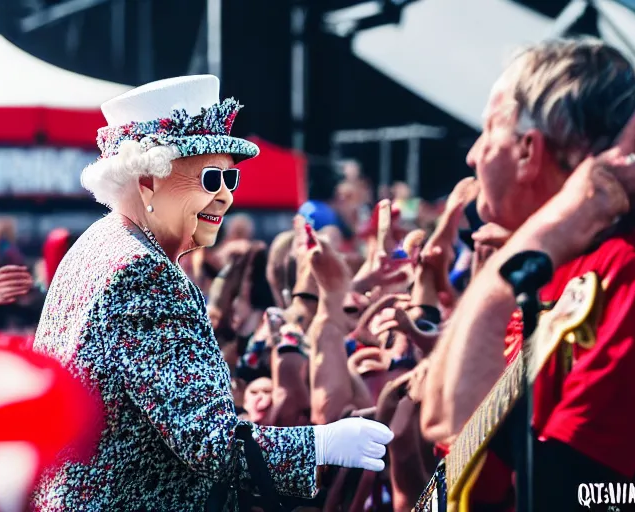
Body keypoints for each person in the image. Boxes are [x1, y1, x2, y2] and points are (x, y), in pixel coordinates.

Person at [31, 75, 393, 511]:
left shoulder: (100, 241)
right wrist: (319, 444)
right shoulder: (143, 271)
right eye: (209, 178)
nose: (224, 196)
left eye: (229, 179)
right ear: (147, 181)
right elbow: (206, 439)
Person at [420, 40, 635, 510]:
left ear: (528, 151)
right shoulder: (549, 263)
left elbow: (574, 491)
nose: (473, 155)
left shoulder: (633, 264)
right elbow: (448, 430)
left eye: (487, 131)